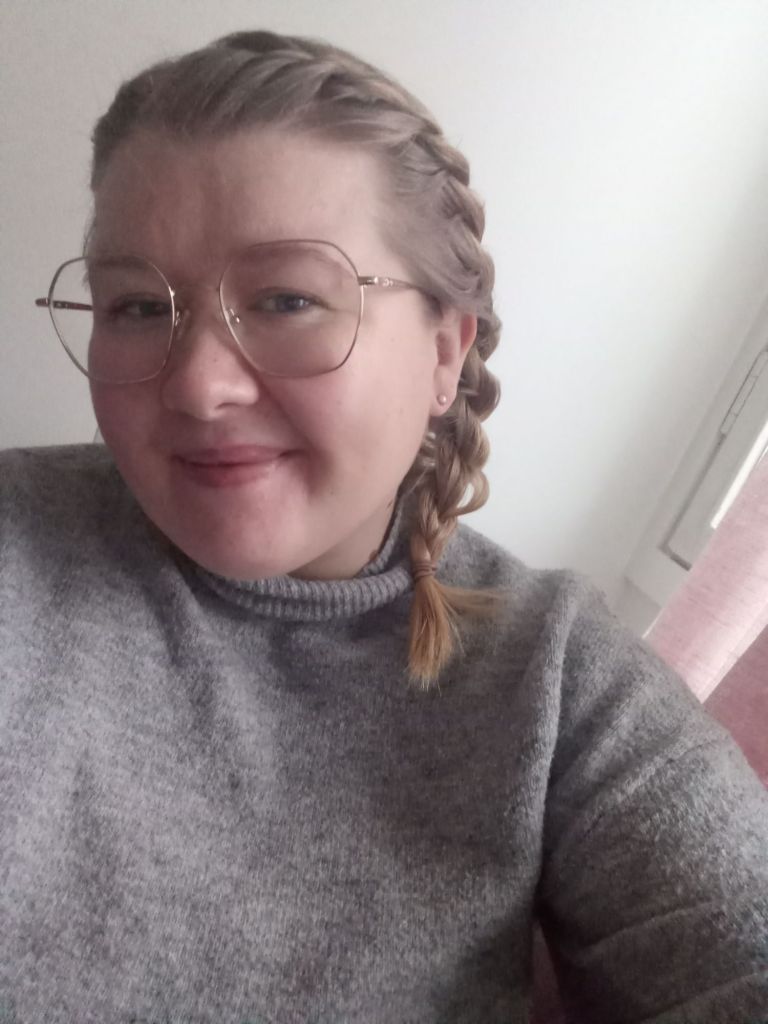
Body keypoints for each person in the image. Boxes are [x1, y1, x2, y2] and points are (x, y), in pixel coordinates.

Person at [1, 29, 766, 1024]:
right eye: (140, 306)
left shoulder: (557, 679)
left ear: (445, 352)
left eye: (287, 299)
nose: (197, 386)